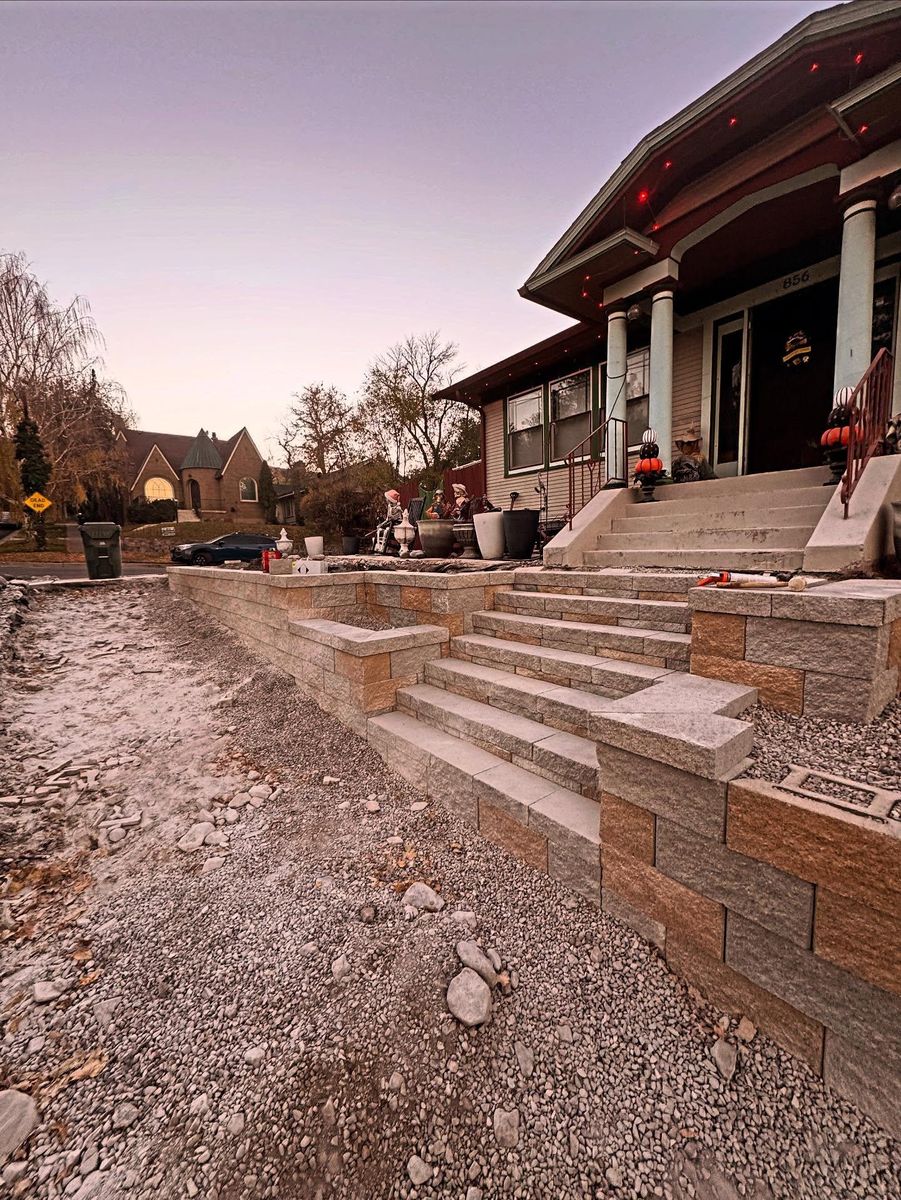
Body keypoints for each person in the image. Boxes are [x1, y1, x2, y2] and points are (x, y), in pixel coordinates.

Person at [373, 489, 402, 554]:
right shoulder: (389, 507)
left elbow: (397, 519)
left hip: (396, 527)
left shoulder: (398, 508)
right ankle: (379, 547)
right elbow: (387, 519)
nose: (386, 500)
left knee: (386, 530)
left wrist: (391, 520)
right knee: (380, 529)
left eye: (387, 499)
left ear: (390, 500)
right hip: (390, 524)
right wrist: (381, 524)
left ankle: (383, 547)